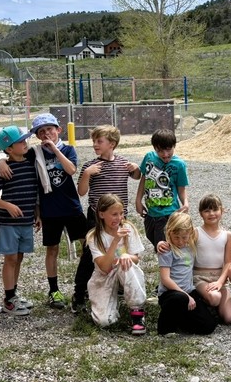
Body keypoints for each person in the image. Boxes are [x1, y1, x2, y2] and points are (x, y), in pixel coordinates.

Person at [0, 112, 86, 311]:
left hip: (71, 206)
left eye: (50, 130)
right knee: (52, 249)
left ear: (58, 130)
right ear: (37, 135)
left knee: (86, 245)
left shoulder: (68, 149)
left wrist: (55, 150)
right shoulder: (34, 152)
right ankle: (54, 290)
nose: (47, 134)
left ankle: (84, 285)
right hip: (50, 209)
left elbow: (71, 170)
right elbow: (12, 156)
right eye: (42, 131)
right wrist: (1, 162)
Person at [71, 125, 141, 312]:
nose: (95, 144)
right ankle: (79, 293)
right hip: (97, 218)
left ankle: (119, 285)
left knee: (121, 250)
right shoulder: (91, 166)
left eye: (99, 141)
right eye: (94, 141)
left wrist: (136, 168)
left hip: (119, 218)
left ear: (112, 144)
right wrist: (86, 174)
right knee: (89, 255)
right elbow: (82, 191)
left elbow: (136, 175)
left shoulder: (123, 163)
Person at [0, 126, 38, 316]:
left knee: (19, 258)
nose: (25, 143)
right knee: (10, 259)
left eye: (25, 140)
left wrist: (37, 213)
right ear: (9, 148)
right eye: (20, 141)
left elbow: (34, 192)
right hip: (7, 223)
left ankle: (13, 294)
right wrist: (7, 205)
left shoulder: (31, 163)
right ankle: (8, 299)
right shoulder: (2, 170)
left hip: (26, 220)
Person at [85, 194, 147, 333]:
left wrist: (125, 256)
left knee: (126, 262)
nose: (119, 218)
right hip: (104, 276)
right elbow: (104, 267)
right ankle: (110, 302)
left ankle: (137, 312)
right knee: (105, 322)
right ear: (101, 214)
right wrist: (114, 242)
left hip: (125, 270)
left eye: (121, 213)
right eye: (114, 214)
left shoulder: (128, 229)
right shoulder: (94, 237)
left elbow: (136, 259)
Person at [157, 211, 217, 336]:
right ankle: (164, 328)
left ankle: (180, 320)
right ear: (169, 233)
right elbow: (165, 279)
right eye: (176, 237)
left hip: (189, 291)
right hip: (171, 294)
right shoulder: (167, 250)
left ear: (190, 233)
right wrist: (159, 243)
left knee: (209, 326)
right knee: (180, 298)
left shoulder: (190, 244)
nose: (180, 241)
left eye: (184, 237)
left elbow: (203, 230)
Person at [136, 129, 189, 250]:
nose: (165, 154)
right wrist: (138, 201)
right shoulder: (149, 158)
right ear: (155, 148)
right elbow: (144, 179)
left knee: (163, 249)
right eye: (160, 150)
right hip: (150, 213)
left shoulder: (179, 165)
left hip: (169, 213)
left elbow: (181, 189)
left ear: (174, 146)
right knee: (152, 238)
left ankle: (168, 268)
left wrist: (185, 202)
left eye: (168, 149)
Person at [192, 194, 231, 324]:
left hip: (219, 278)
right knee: (214, 297)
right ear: (201, 213)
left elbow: (228, 262)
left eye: (215, 209)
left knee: (229, 318)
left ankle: (213, 307)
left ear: (222, 211)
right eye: (207, 210)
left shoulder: (227, 235)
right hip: (200, 277)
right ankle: (203, 302)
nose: (211, 214)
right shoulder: (195, 232)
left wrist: (220, 282)